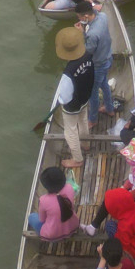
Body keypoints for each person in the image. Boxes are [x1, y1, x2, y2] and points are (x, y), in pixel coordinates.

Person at [51, 25, 95, 168]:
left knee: (70, 130)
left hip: (73, 105)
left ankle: (77, 159)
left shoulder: (68, 72)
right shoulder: (88, 55)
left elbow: (64, 97)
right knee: (83, 121)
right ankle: (86, 144)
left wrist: (62, 103)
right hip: (85, 97)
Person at [83, 3, 117, 124]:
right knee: (104, 84)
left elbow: (88, 51)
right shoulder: (103, 16)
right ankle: (109, 109)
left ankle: (92, 119)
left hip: (98, 66)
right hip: (108, 58)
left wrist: (82, 33)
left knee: (93, 93)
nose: (79, 19)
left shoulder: (92, 34)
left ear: (86, 15)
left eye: (79, 17)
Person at [102, 185, 135, 263]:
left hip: (133, 250)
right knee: (111, 225)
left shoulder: (125, 224)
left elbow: (123, 246)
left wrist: (111, 248)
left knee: (109, 227)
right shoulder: (133, 207)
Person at [30, 163, 79, 238]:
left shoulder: (43, 200)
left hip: (52, 235)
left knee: (31, 216)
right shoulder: (69, 188)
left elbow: (42, 220)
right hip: (73, 226)